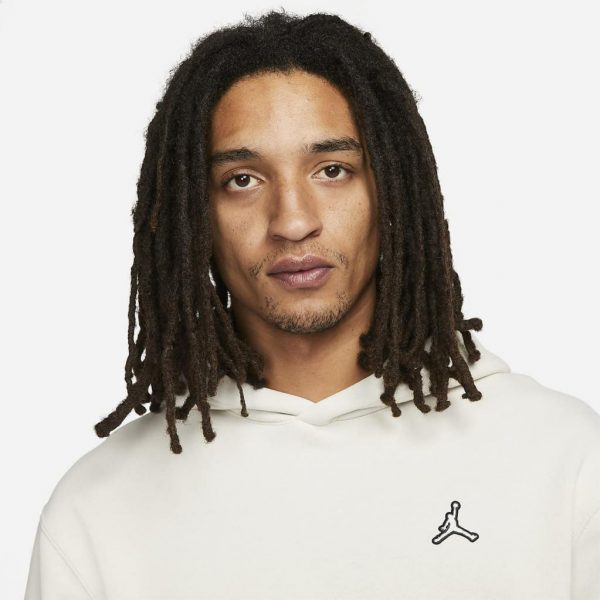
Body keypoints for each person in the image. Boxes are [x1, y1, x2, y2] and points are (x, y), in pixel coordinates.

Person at [24, 9, 600, 599]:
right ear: (193, 214)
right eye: (243, 180)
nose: (293, 222)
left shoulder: (565, 462)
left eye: (332, 170)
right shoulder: (99, 513)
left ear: (393, 187)